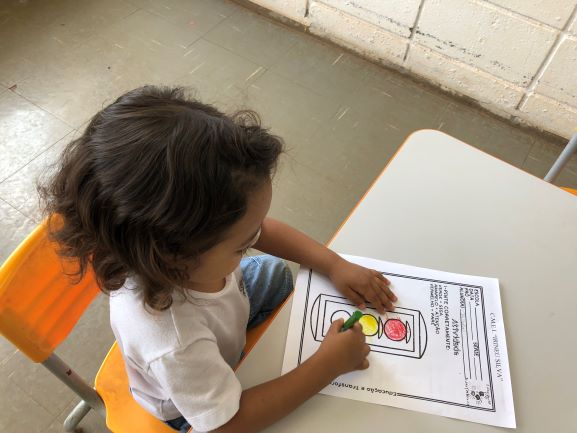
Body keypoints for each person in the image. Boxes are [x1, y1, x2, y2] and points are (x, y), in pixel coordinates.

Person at [40, 86, 397, 433]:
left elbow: (263, 231)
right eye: (242, 246)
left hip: (219, 318)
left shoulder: (184, 250)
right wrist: (327, 365)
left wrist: (334, 264)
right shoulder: (173, 339)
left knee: (272, 272)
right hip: (188, 407)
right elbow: (227, 424)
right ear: (174, 257)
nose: (256, 239)